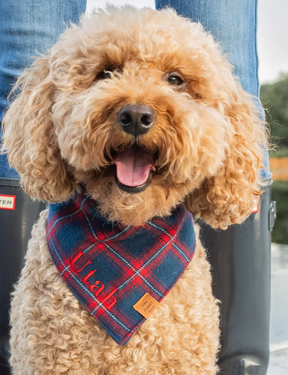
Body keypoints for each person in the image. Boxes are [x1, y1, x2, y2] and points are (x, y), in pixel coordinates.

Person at [0, 1, 272, 374]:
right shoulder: (46, 282)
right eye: (106, 72)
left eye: (175, 80)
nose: (137, 108)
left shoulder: (189, 285)